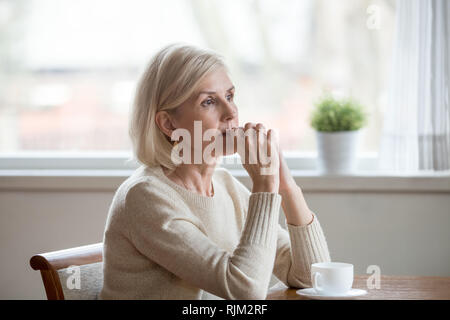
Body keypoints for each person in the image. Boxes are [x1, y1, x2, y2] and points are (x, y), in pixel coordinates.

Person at [98, 43, 331, 300]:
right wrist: (264, 187)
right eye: (209, 101)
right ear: (168, 123)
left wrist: (284, 184)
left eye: (230, 97)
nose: (231, 113)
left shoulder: (225, 186)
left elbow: (312, 277)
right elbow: (245, 292)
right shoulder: (144, 197)